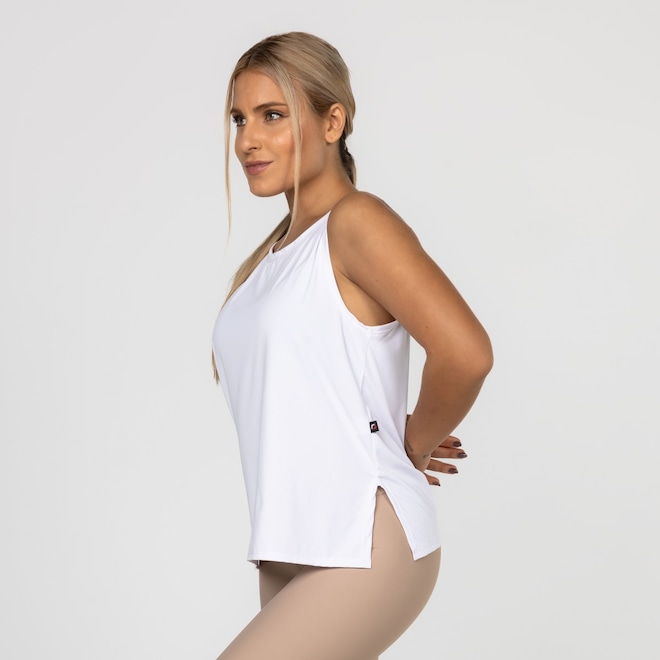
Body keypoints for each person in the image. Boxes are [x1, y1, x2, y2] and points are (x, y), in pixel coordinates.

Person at [211, 31, 492, 660]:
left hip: (361, 538)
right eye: (239, 119)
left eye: (272, 115)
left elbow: (467, 352)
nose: (247, 140)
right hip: (286, 545)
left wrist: (411, 443)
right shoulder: (273, 259)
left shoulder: (356, 222)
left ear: (332, 121)